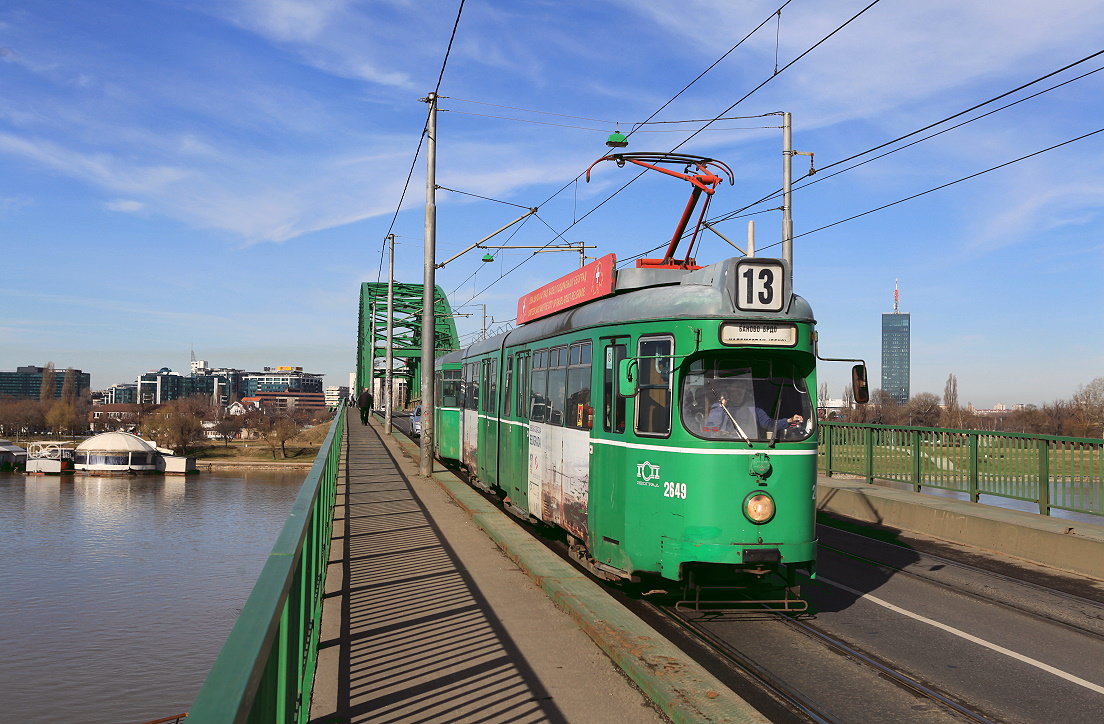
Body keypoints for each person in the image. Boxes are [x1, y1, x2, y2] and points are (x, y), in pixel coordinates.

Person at [705, 387, 803, 438]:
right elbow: (711, 428)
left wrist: (790, 420)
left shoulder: (754, 407)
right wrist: (721, 406)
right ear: (728, 391)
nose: (737, 392)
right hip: (724, 444)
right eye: (734, 389)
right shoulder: (719, 407)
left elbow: (768, 424)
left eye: (741, 388)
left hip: (748, 443)